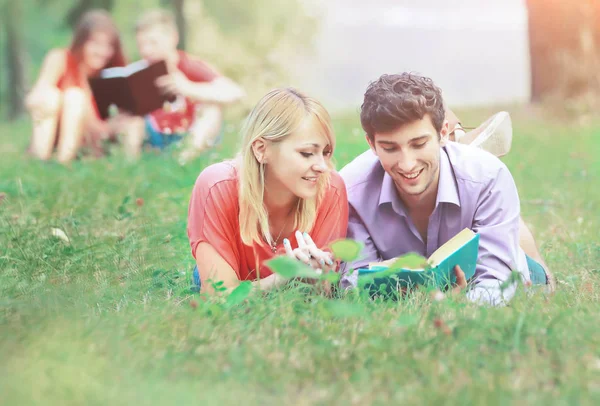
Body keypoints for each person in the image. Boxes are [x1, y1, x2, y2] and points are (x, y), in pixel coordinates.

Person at [339, 73, 553, 305]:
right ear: (371, 144)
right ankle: (460, 145)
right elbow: (354, 283)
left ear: (442, 133)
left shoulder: (489, 176)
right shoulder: (351, 190)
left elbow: (497, 282)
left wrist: (461, 306)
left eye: (419, 144)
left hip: (493, 263)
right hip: (419, 279)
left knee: (540, 281)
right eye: (390, 148)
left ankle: (502, 218)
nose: (407, 163)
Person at [187, 88, 348, 294]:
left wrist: (317, 277)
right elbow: (217, 297)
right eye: (307, 153)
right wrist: (282, 277)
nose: (322, 166)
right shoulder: (216, 186)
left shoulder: (330, 188)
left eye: (325, 153)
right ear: (261, 149)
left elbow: (323, 294)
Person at [125, 9, 244, 163]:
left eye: (153, 43)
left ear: (173, 37)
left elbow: (235, 93)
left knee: (213, 108)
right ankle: (131, 165)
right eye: (141, 45)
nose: (146, 51)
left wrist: (187, 88)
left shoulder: (190, 65)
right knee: (132, 117)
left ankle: (184, 161)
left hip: (189, 135)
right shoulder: (139, 70)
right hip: (155, 136)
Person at [25, 9, 135, 164]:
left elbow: (107, 125)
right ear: (81, 41)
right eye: (95, 43)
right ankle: (40, 159)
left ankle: (63, 162)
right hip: (54, 132)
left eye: (108, 46)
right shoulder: (61, 58)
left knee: (74, 97)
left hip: (89, 144)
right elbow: (38, 94)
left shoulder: (113, 74)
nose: (102, 52)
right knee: (65, 96)